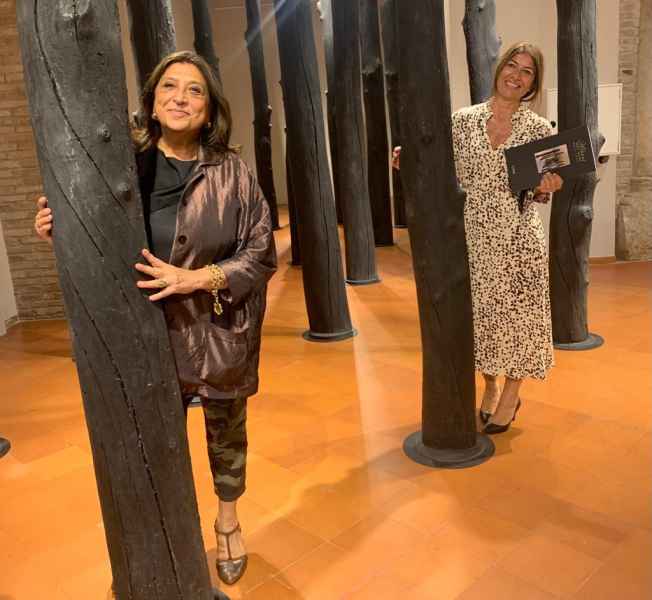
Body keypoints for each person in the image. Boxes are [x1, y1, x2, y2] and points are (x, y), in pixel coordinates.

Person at [35, 50, 276, 587]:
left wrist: (197, 278)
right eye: (170, 86)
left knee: (226, 435)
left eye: (194, 90)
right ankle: (167, 534)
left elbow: (261, 254)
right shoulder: (123, 165)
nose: (180, 98)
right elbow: (97, 234)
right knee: (151, 442)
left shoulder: (232, 171)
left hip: (215, 332)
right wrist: (61, 228)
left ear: (209, 111)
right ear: (152, 100)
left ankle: (228, 522)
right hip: (143, 336)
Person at [393, 41, 562, 434]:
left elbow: (539, 193)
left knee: (521, 318)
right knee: (482, 318)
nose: (516, 76)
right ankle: (490, 385)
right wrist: (409, 158)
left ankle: (511, 394)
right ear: (499, 68)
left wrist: (548, 186)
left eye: (527, 72)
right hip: (472, 238)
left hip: (520, 238)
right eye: (512, 66)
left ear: (533, 84)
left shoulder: (540, 130)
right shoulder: (462, 121)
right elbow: (438, 166)